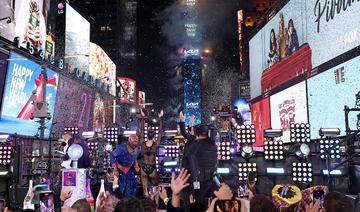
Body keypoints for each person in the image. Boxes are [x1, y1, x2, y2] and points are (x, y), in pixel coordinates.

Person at [139, 110, 164, 197]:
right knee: (156, 188)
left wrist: (143, 117)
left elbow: (141, 130)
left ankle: (146, 207)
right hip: (152, 167)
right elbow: (160, 131)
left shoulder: (142, 143)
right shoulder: (156, 144)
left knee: (144, 190)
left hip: (144, 167)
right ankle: (156, 207)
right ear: (154, 136)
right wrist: (160, 118)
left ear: (147, 135)